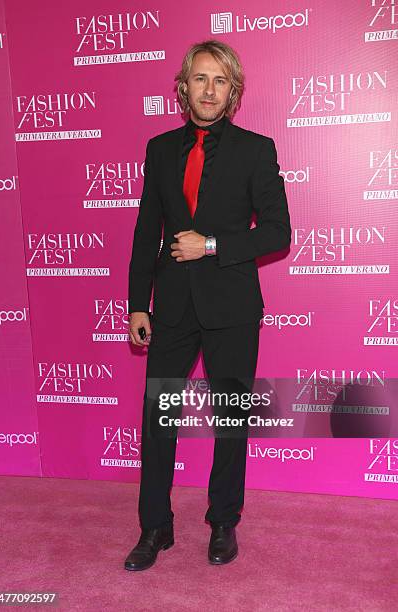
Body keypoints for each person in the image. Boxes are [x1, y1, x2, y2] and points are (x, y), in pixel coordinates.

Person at [124, 39, 291, 571]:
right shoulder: (158, 149)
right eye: (200, 78)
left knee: (230, 418)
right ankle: (155, 527)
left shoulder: (256, 149)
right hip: (171, 306)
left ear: (233, 90)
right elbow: (146, 229)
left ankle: (223, 522)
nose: (209, 89)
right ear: (183, 86)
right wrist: (136, 303)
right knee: (158, 420)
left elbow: (277, 232)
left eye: (220, 80)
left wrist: (212, 244)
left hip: (232, 306)